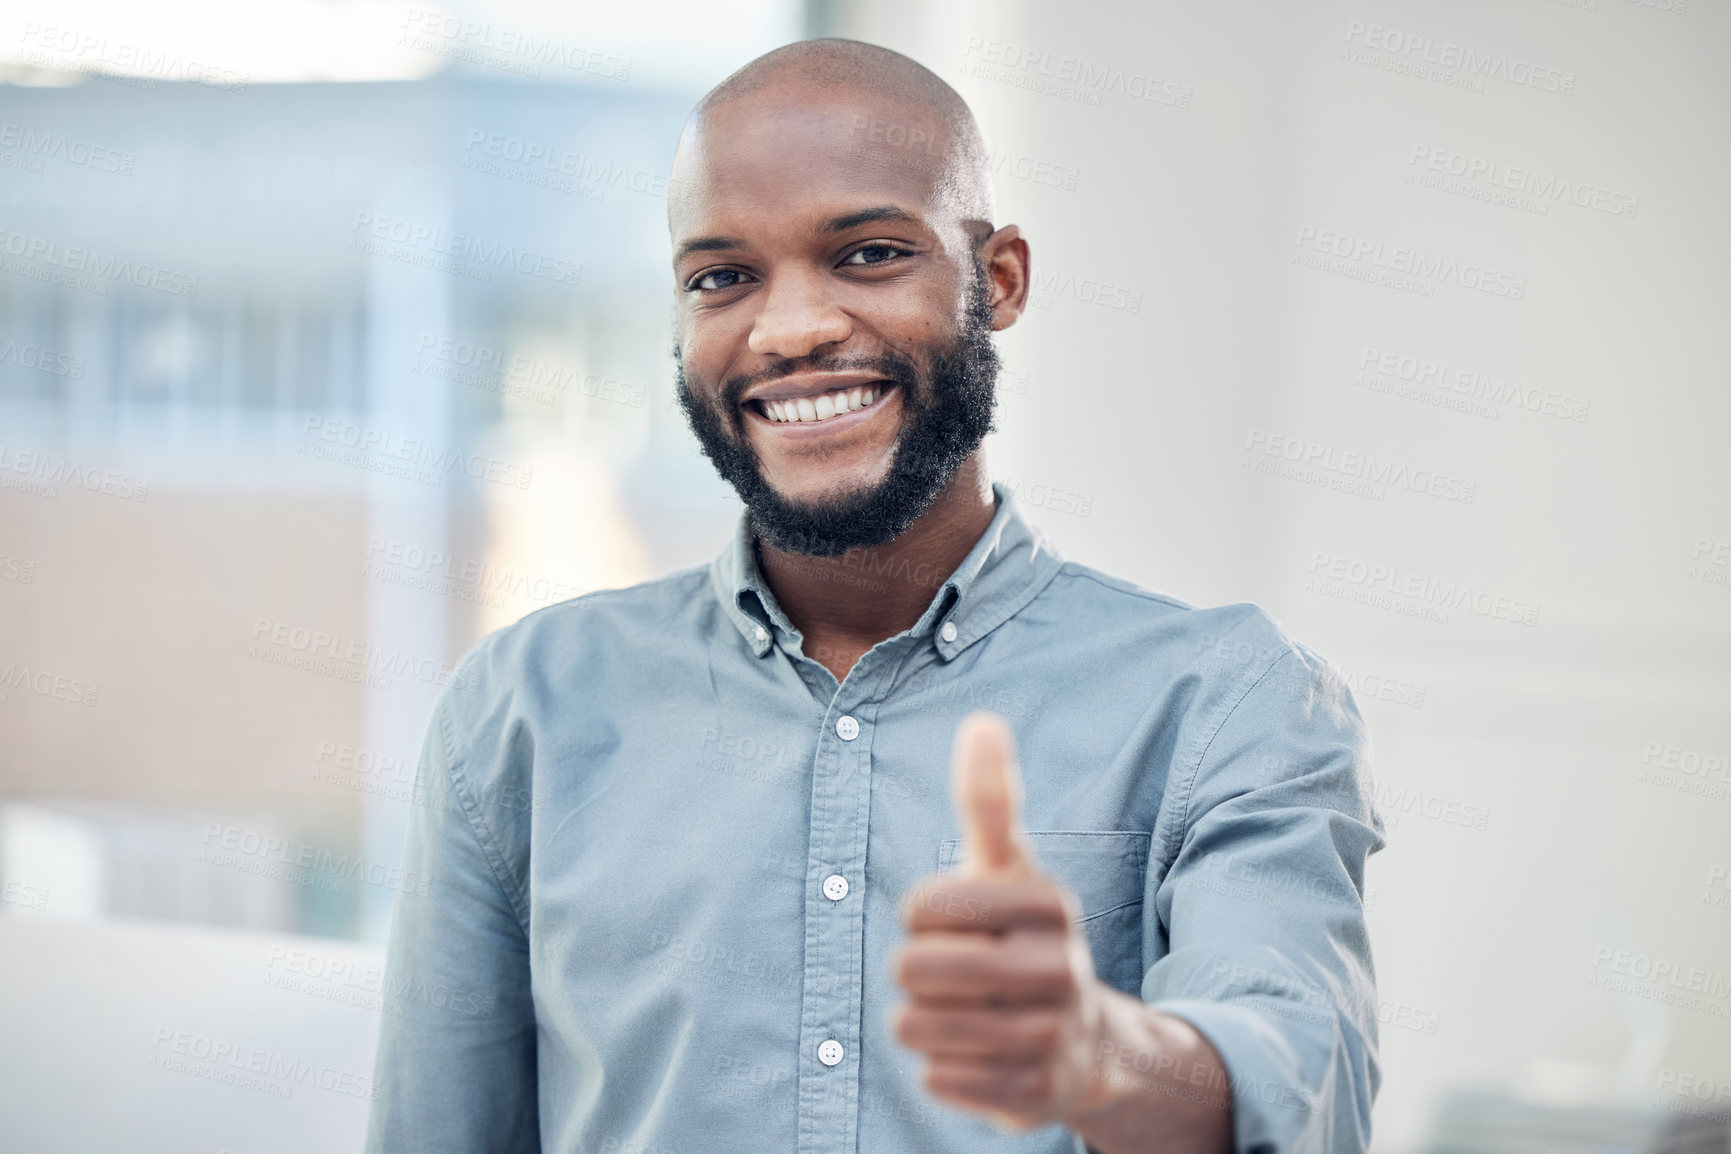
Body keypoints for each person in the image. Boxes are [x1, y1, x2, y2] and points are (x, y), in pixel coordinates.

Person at [365, 37, 1385, 1154]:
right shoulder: (521, 713)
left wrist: (1095, 1053)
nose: (790, 328)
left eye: (866, 254)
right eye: (722, 276)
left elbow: (1302, 1079)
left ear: (995, 282)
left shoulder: (1227, 702)